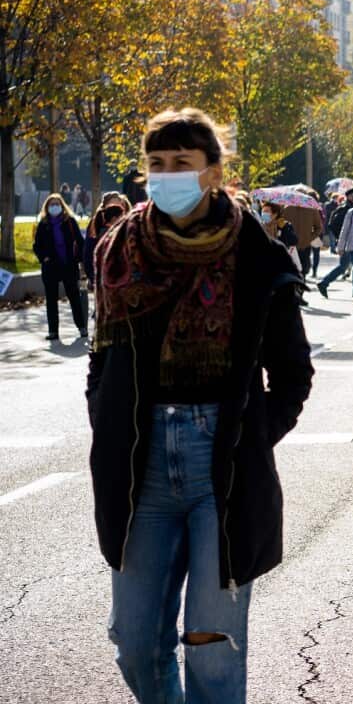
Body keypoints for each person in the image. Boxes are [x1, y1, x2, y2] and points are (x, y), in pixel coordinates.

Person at [89, 108, 312, 704]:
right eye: (155, 165)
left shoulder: (259, 257)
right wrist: (105, 427)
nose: (165, 177)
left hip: (225, 468)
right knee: (136, 644)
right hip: (141, 470)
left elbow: (293, 373)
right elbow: (100, 360)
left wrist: (252, 433)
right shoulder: (118, 252)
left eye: (181, 165)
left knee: (212, 650)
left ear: (213, 174)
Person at [33, 193, 89, 341]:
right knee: (51, 300)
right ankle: (53, 331)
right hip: (50, 267)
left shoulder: (69, 221)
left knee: (74, 298)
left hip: (68, 265)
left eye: (57, 204)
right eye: (52, 204)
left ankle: (82, 327)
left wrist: (79, 260)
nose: (55, 207)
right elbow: (37, 245)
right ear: (47, 207)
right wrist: (43, 258)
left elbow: (80, 242)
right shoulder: (43, 224)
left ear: (62, 205)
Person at [85, 192, 130, 288]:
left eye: (120, 204)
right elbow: (89, 251)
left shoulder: (130, 224)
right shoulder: (96, 225)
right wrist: (92, 275)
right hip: (104, 277)